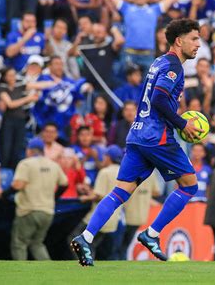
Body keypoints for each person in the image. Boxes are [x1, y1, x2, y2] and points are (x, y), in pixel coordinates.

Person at [70, 18, 202, 266]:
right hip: (157, 136)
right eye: (194, 39)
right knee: (189, 186)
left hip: (138, 133)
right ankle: (151, 234)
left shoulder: (158, 62)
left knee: (121, 191)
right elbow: (160, 99)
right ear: (178, 40)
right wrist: (183, 123)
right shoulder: (174, 66)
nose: (199, 44)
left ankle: (86, 237)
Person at [89, 0, 195, 77]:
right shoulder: (126, 8)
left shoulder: (155, 9)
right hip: (129, 53)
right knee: (127, 83)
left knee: (148, 86)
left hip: (148, 54)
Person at [8, 138, 68, 260]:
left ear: (29, 150)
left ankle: (21, 273)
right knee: (37, 243)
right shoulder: (53, 165)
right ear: (42, 150)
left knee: (19, 243)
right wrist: (54, 197)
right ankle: (47, 271)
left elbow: (18, 185)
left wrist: (3, 194)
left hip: (28, 210)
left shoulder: (26, 163)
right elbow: (64, 183)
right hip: (47, 211)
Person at [71, 145, 124, 260]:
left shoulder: (104, 172)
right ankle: (88, 262)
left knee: (76, 237)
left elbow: (98, 195)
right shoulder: (123, 172)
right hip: (113, 219)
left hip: (97, 217)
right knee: (92, 244)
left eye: (104, 156)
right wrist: (90, 191)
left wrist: (85, 197)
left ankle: (83, 262)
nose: (103, 158)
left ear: (109, 157)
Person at [32, 56, 94, 142]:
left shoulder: (69, 81)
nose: (59, 66)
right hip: (47, 121)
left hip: (65, 123)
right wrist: (55, 85)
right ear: (49, 66)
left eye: (61, 64)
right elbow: (33, 89)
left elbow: (78, 101)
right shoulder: (43, 78)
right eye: (56, 64)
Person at [119, 171, 160, 260]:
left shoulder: (128, 170)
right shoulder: (151, 173)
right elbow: (156, 192)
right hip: (140, 215)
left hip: (125, 216)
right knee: (124, 246)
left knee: (118, 247)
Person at [77, 23, 124, 92]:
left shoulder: (109, 46)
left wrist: (114, 29)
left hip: (106, 86)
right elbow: (71, 53)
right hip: (90, 87)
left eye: (99, 32)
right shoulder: (86, 47)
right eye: (94, 33)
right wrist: (78, 39)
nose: (96, 35)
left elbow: (120, 41)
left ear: (105, 34)